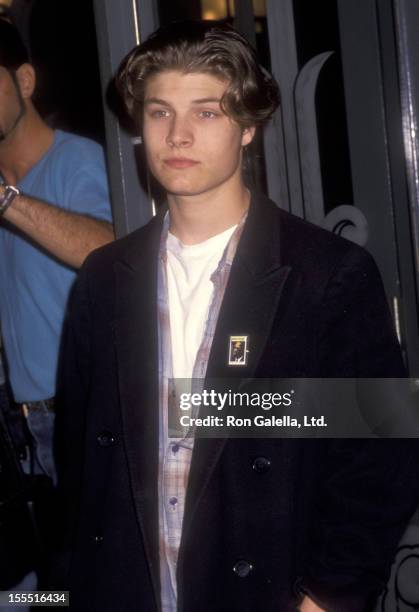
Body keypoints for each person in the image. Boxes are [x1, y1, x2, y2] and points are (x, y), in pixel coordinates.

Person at [54, 20, 419, 612]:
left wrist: (328, 596)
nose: (177, 135)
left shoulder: (326, 273)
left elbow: (379, 457)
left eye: (206, 113)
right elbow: (81, 466)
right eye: (159, 112)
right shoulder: (104, 276)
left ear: (248, 127)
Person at [0, 18, 114, 488]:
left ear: (24, 81)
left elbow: (107, 248)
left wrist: (7, 200)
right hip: (27, 419)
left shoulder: (77, 160)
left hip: (86, 409)